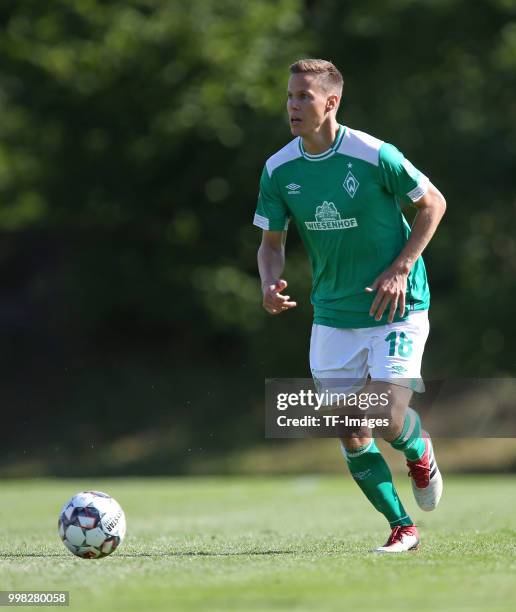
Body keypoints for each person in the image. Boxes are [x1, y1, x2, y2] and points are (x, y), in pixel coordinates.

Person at [253, 58, 446, 553]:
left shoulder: (373, 154)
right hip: (333, 315)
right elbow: (271, 244)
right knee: (347, 427)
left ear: (330, 102)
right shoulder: (279, 169)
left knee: (383, 415)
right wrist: (270, 282)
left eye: (304, 97)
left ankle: (417, 447)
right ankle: (402, 527)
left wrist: (401, 268)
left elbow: (433, 203)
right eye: (290, 97)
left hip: (396, 308)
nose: (293, 106)